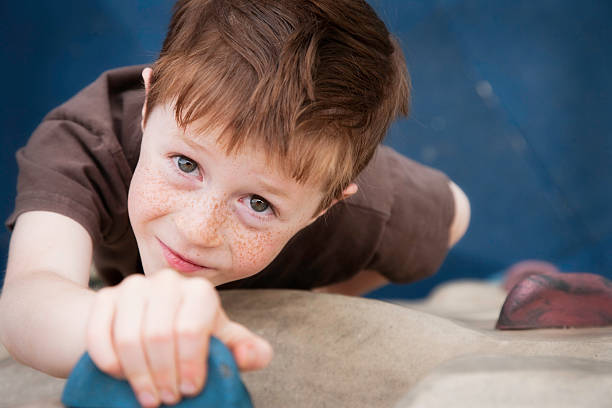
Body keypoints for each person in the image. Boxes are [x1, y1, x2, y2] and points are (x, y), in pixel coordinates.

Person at [0, 0, 470, 407]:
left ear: (322, 209)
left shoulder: (370, 209)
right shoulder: (85, 144)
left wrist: (321, 298)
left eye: (259, 204)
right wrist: (122, 325)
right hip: (106, 262)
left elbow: (455, 212)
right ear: (147, 107)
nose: (196, 230)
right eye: (186, 165)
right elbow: (30, 299)